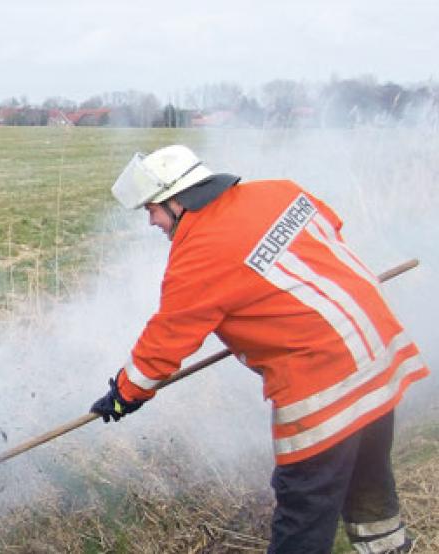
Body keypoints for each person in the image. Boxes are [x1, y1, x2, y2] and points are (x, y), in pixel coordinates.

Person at [90, 145, 429, 553]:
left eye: (153, 209)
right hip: (378, 355)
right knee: (369, 480)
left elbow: (166, 340)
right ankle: (389, 548)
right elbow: (332, 229)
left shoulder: (199, 252)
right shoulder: (279, 191)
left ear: (178, 200)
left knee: (303, 514)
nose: (151, 221)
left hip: (322, 387)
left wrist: (125, 394)